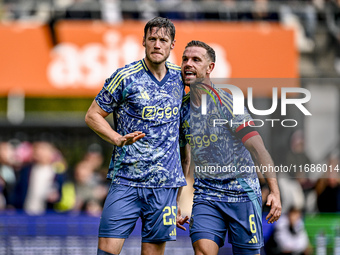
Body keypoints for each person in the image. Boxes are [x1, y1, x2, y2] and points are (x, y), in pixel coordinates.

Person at [85, 17, 188, 255]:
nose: (157, 44)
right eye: (152, 39)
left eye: (163, 40)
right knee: (106, 251)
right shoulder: (125, 77)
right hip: (126, 181)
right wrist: (117, 138)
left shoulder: (181, 78)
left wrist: (180, 193)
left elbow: (186, 136)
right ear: (143, 41)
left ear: (173, 45)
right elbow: (92, 116)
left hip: (164, 186)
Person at [177, 40, 282, 255]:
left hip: (241, 194)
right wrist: (176, 200)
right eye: (185, 59)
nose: (188, 64)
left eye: (196, 60)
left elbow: (258, 148)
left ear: (210, 68)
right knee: (203, 251)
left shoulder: (227, 102)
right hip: (207, 196)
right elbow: (185, 159)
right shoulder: (182, 108)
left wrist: (274, 191)